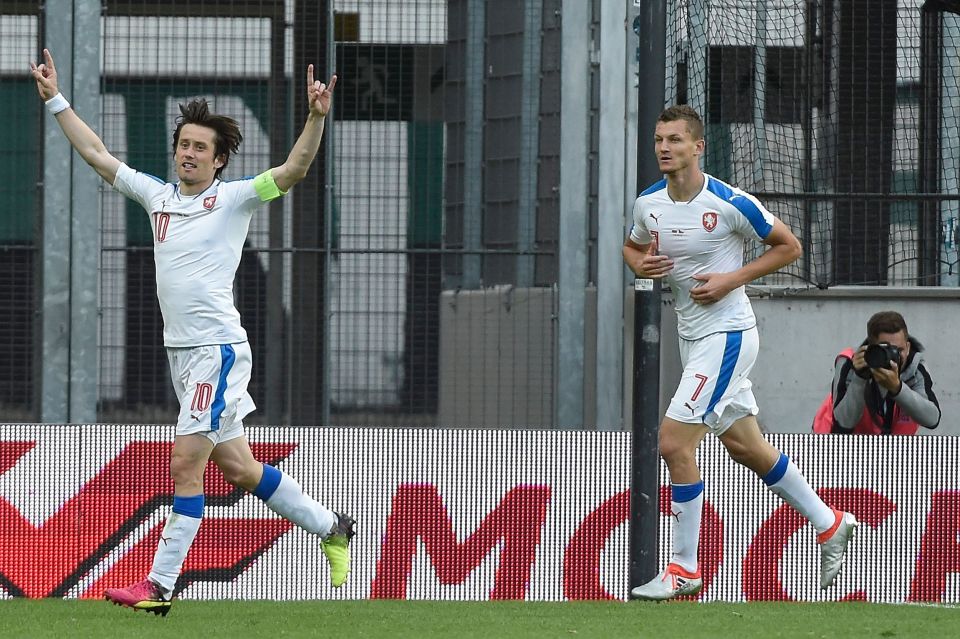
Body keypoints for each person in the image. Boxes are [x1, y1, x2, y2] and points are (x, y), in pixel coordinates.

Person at [31, 48, 353, 616]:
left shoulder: (234, 199)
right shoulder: (156, 196)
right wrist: (55, 97)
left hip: (217, 350)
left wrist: (317, 116)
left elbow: (293, 171)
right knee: (239, 468)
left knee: (185, 464)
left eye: (201, 147)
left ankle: (158, 586)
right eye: (184, 144)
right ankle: (332, 526)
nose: (189, 153)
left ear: (220, 160)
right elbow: (96, 153)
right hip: (183, 354)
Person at [622, 105, 856, 601]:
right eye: (660, 139)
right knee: (746, 447)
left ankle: (685, 568)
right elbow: (632, 247)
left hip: (727, 336)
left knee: (673, 443)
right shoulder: (649, 203)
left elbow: (789, 246)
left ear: (698, 146)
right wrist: (642, 267)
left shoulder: (729, 202)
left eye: (675, 140)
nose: (664, 148)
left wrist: (732, 278)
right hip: (693, 338)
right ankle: (828, 520)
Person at [813, 311, 940, 434]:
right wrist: (859, 377)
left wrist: (897, 388)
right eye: (886, 350)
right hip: (840, 443)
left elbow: (932, 419)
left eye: (899, 350)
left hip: (894, 448)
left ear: (908, 348)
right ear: (871, 348)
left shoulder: (915, 367)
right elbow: (844, 422)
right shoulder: (850, 362)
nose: (893, 358)